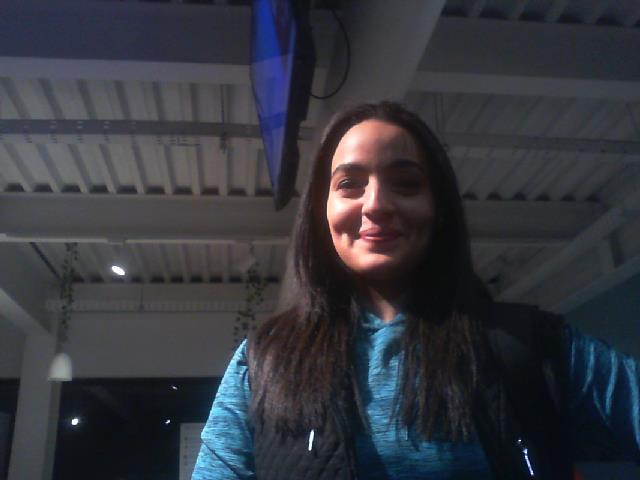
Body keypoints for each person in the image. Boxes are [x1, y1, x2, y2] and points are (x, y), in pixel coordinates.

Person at [192, 102, 640, 479]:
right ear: (320, 212)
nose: (376, 204)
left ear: (438, 209)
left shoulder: (530, 346)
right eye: (349, 184)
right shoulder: (262, 363)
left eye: (406, 183)